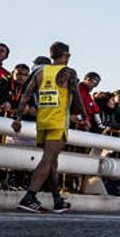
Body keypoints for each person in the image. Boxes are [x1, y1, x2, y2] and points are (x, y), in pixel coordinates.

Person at [11, 42, 87, 213]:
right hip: (58, 122)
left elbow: (26, 95)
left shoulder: (40, 72)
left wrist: (17, 117)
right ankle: (29, 197)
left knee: (52, 162)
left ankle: (57, 200)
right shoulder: (68, 72)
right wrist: (85, 118)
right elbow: (77, 98)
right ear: (66, 56)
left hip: (42, 121)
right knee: (47, 160)